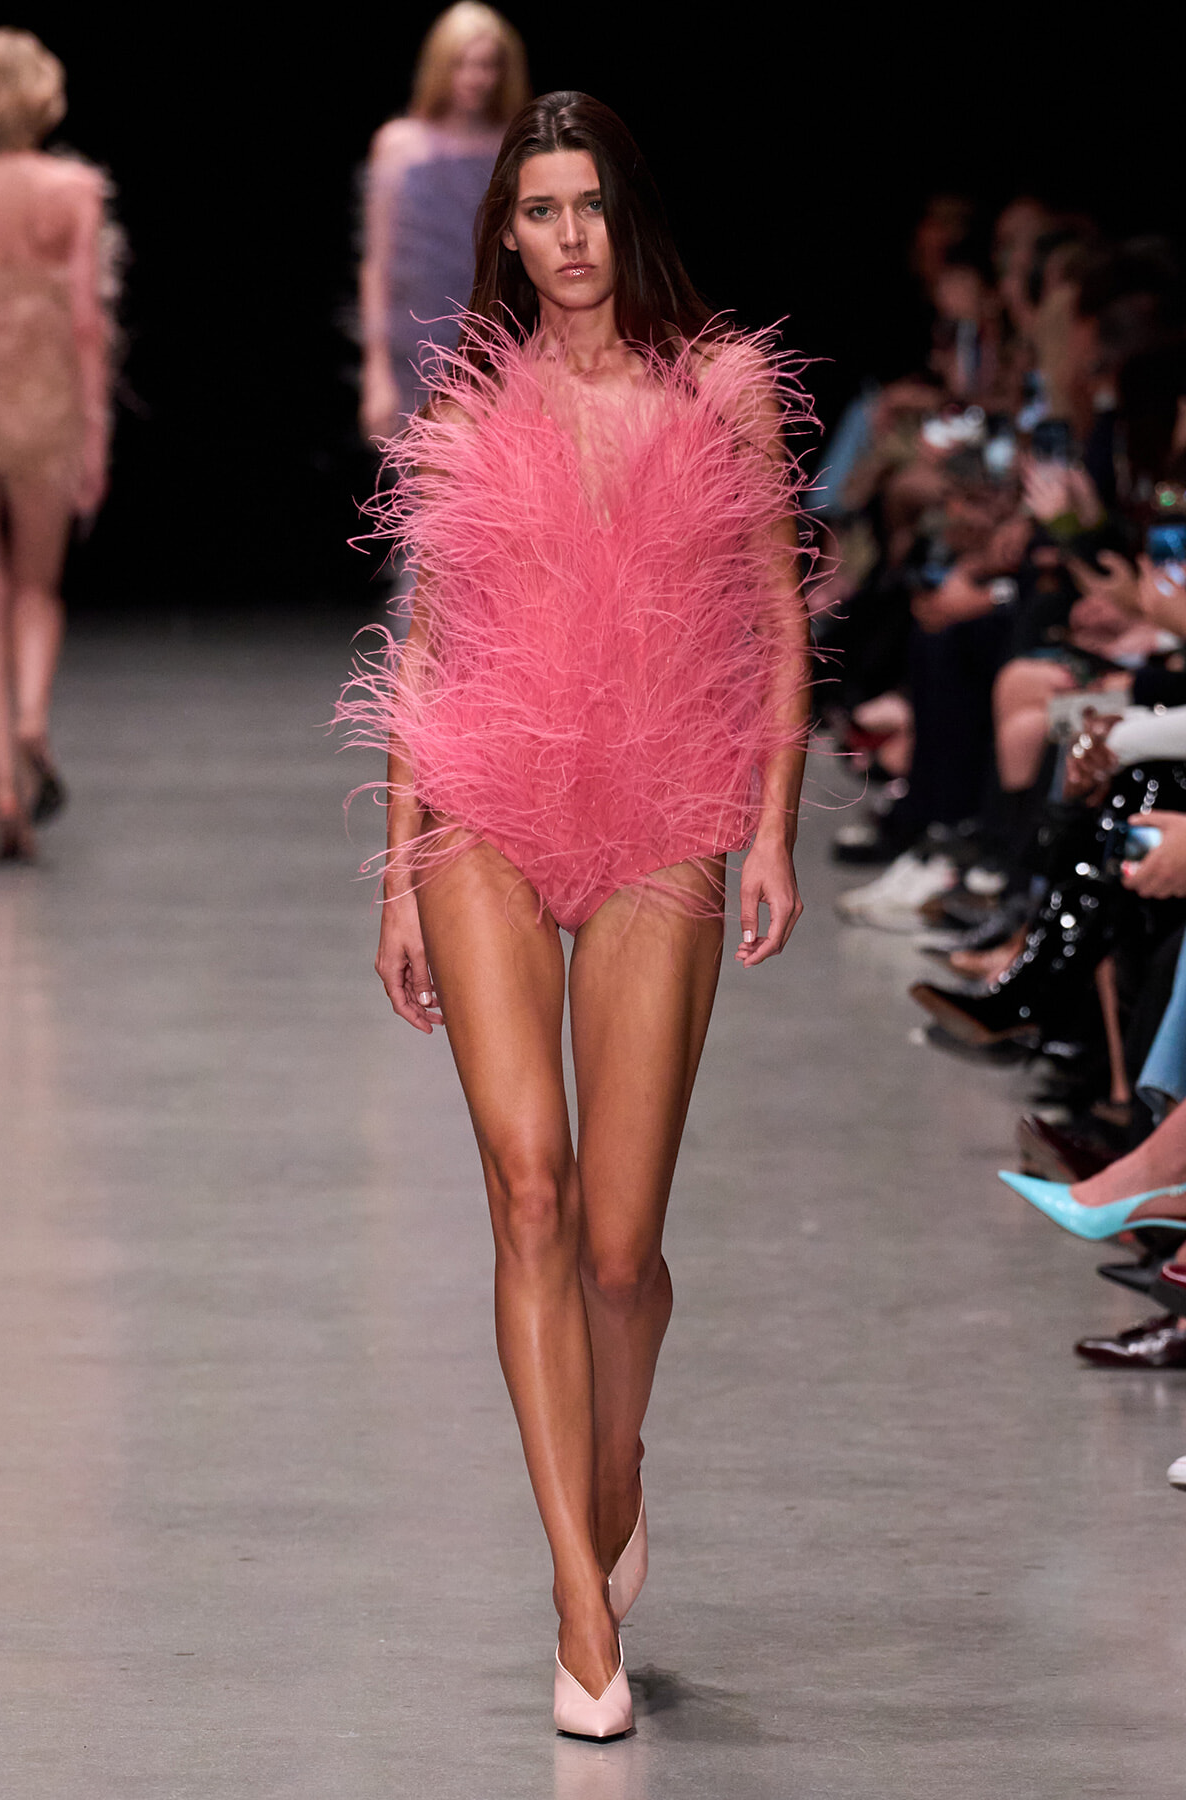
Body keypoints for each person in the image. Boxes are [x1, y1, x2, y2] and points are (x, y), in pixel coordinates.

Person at [339, 91, 811, 1738]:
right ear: (508, 236)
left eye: (590, 203)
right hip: (487, 802)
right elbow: (431, 641)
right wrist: (401, 863)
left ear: (630, 214)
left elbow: (773, 614)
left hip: (666, 809)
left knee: (620, 1249)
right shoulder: (474, 402)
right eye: (538, 210)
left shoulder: (720, 389)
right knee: (525, 1193)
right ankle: (574, 1603)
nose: (569, 236)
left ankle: (616, 1467)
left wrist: (771, 830)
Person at [0, 28, 111, 860]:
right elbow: (87, 322)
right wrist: (94, 432)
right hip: (42, 399)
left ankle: (2, 783)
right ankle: (32, 715)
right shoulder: (73, 187)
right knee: (37, 588)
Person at [358, 3, 528, 442]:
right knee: (417, 484)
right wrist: (375, 372)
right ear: (440, 65)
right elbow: (377, 262)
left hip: (497, 338)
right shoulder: (399, 144)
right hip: (413, 343)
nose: (477, 77)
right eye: (462, 63)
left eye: (488, 64)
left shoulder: (514, 141)